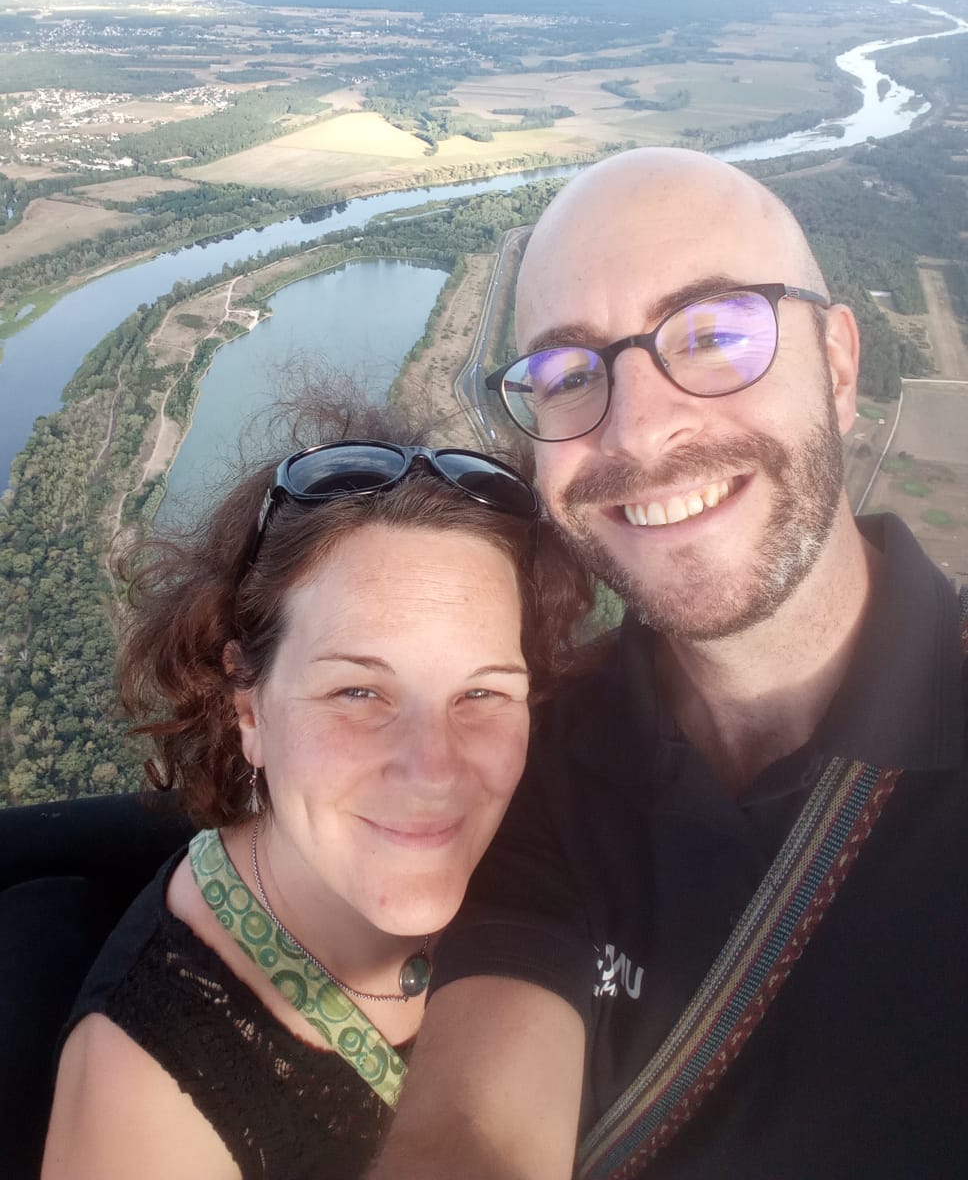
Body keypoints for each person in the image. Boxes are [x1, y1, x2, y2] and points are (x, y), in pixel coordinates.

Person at [370, 148, 968, 1180]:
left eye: (711, 334)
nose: (639, 432)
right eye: (567, 375)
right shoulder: (534, 761)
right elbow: (468, 1136)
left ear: (834, 362)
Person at [41, 389, 593, 1180]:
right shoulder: (140, 1106)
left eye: (482, 693)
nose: (433, 769)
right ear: (248, 706)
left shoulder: (552, 839)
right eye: (358, 693)